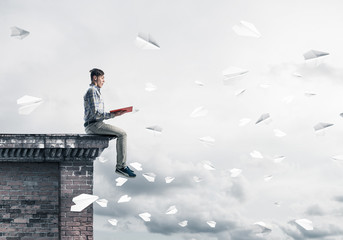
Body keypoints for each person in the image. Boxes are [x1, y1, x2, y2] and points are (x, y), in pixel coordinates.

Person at [83, 68, 136, 178]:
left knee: (118, 134)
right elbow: (96, 114)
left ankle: (121, 165)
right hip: (94, 125)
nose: (104, 81)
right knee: (122, 134)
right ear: (95, 78)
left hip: (95, 124)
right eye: (102, 78)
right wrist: (114, 114)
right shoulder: (92, 91)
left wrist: (115, 113)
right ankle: (121, 167)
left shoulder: (96, 91)